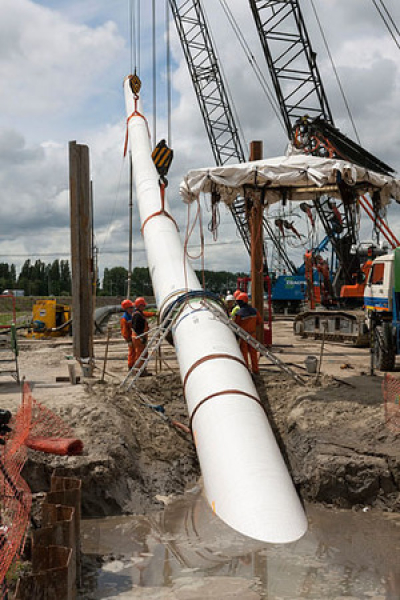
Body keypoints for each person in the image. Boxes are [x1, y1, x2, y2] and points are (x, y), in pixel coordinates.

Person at [234, 292, 262, 375]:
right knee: (253, 353)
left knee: (244, 353)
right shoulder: (255, 311)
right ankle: (255, 370)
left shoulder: (239, 314)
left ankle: (246, 371)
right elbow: (259, 321)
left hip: (243, 336)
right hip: (252, 334)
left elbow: (236, 325)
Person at [131, 297, 152, 375]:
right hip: (139, 337)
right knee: (141, 354)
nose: (144, 307)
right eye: (143, 306)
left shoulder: (138, 313)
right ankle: (139, 371)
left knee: (143, 354)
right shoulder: (137, 315)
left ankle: (141, 370)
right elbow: (136, 328)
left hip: (139, 336)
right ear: (140, 306)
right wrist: (141, 337)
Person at [120, 298, 135, 370]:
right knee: (132, 352)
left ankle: (133, 365)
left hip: (133, 337)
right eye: (130, 307)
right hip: (130, 338)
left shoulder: (130, 316)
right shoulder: (124, 319)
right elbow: (124, 331)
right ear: (126, 309)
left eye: (132, 307)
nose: (132, 309)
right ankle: (131, 366)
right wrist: (128, 340)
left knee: (135, 352)